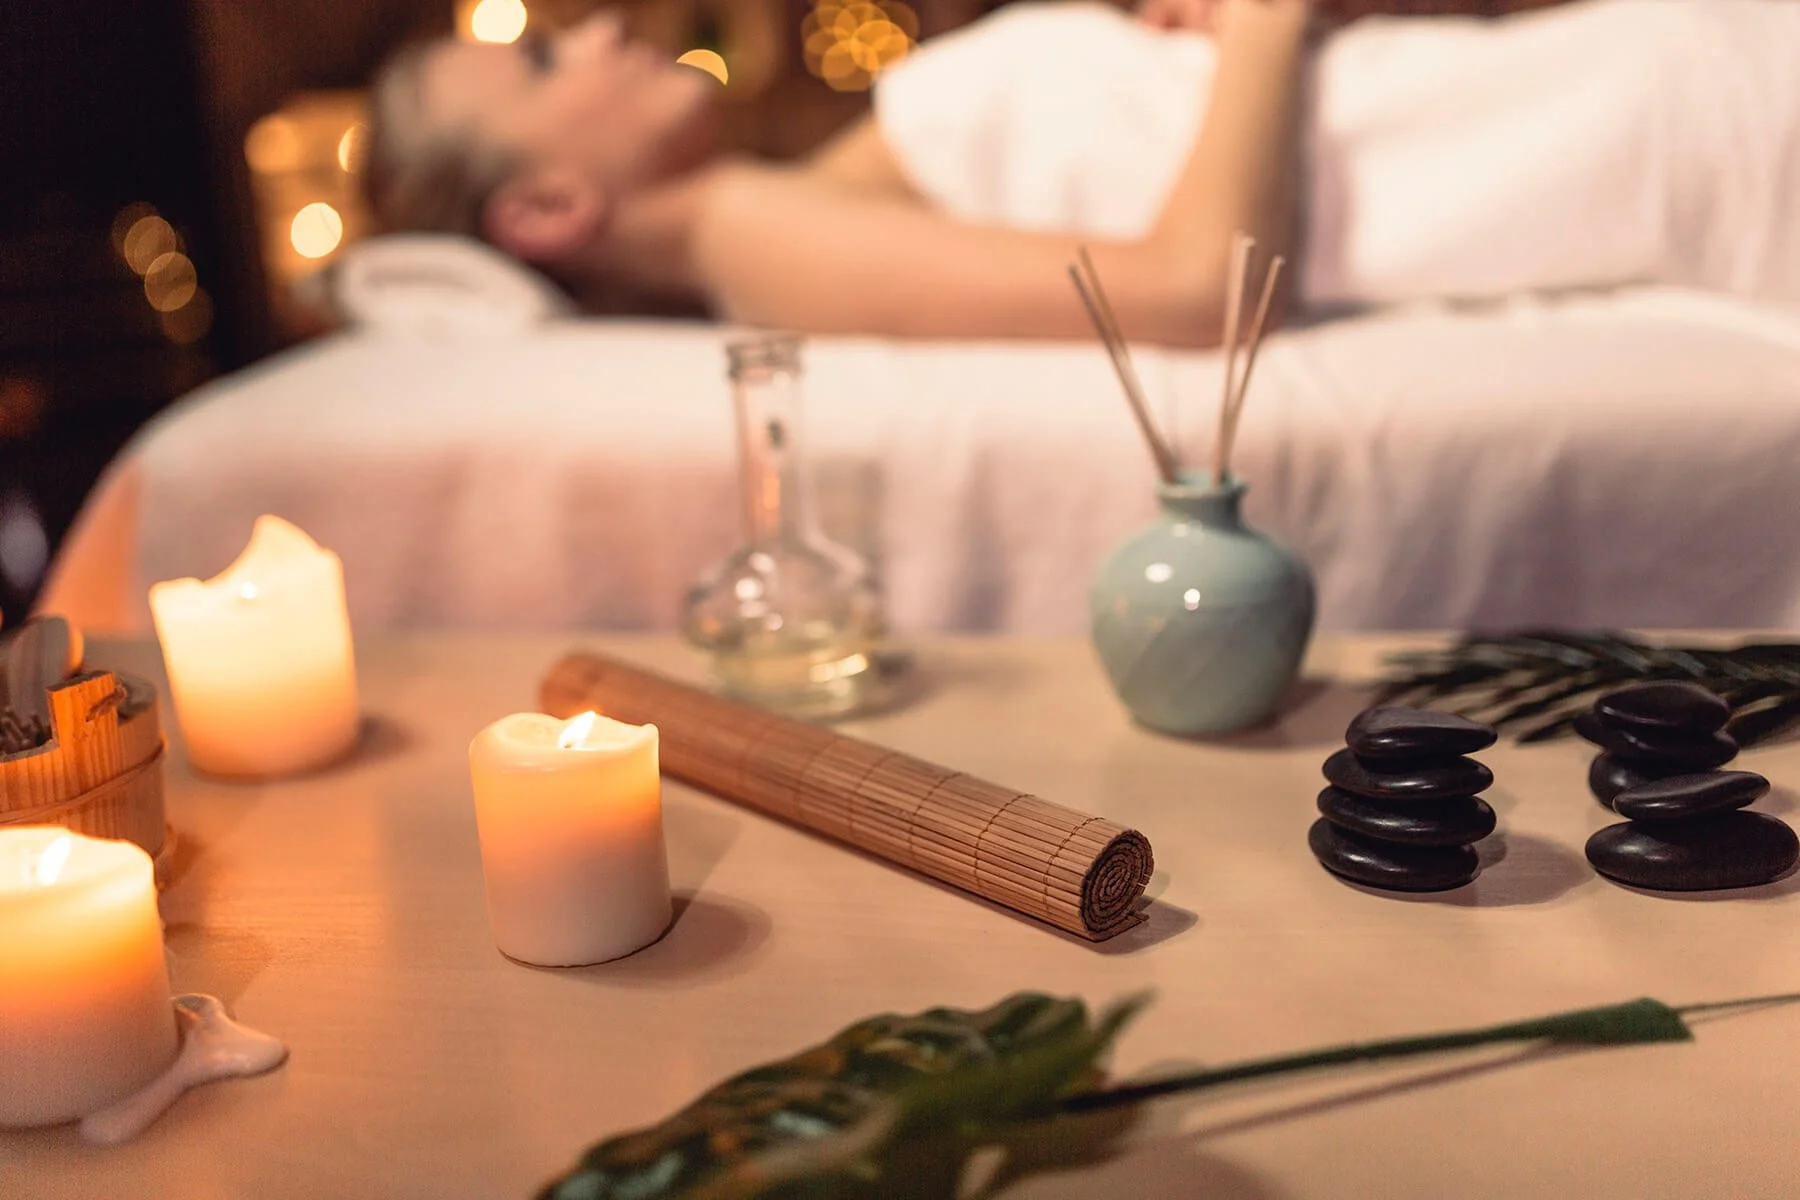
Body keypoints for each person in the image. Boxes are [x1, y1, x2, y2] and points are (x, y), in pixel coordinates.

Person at [362, 0, 1800, 345]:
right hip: (1656, 133)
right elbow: (1189, 291)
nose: (603, 28)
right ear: (547, 210)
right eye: (547, 67)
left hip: (1628, 97)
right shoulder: (749, 234)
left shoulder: (834, 183)